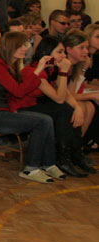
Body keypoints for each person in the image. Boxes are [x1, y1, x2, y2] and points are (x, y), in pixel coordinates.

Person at [0, 31, 61, 183]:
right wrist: (38, 70)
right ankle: (31, 168)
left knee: (46, 119)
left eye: (25, 44)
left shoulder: (10, 66)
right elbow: (18, 91)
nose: (25, 48)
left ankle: (48, 163)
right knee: (42, 121)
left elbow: (16, 93)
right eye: (21, 45)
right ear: (11, 47)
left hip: (2, 113)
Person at [15, 36, 93, 177]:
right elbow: (59, 98)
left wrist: (77, 107)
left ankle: (75, 154)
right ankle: (63, 158)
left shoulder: (51, 68)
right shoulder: (35, 69)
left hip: (38, 105)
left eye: (63, 52)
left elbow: (65, 93)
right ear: (47, 53)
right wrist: (63, 72)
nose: (64, 56)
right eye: (59, 52)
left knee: (70, 109)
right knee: (64, 110)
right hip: (23, 108)